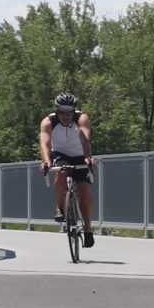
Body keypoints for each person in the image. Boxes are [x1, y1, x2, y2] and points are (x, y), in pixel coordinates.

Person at [38, 91, 96, 247]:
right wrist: (46, 162)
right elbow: (44, 143)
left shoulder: (81, 118)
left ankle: (88, 230)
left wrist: (88, 157)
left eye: (69, 112)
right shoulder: (48, 122)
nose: (66, 116)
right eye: (62, 112)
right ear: (57, 111)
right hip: (60, 154)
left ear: (74, 111)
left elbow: (85, 137)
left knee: (84, 193)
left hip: (80, 155)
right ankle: (60, 208)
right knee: (61, 170)